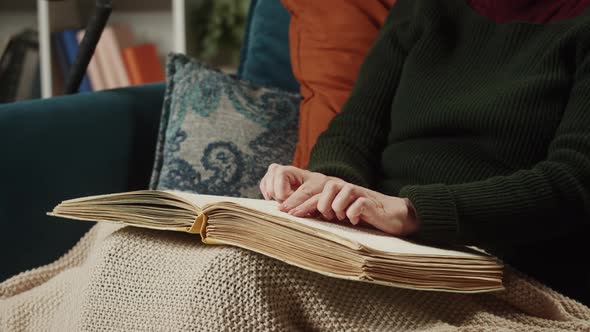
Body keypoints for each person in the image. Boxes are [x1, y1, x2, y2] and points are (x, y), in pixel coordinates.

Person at [260, 0, 590, 306]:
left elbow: (574, 182)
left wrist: (413, 212)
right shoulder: (422, 5)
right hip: (376, 244)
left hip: (501, 274)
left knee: (249, 281)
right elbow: (357, 124)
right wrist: (330, 184)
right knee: (228, 261)